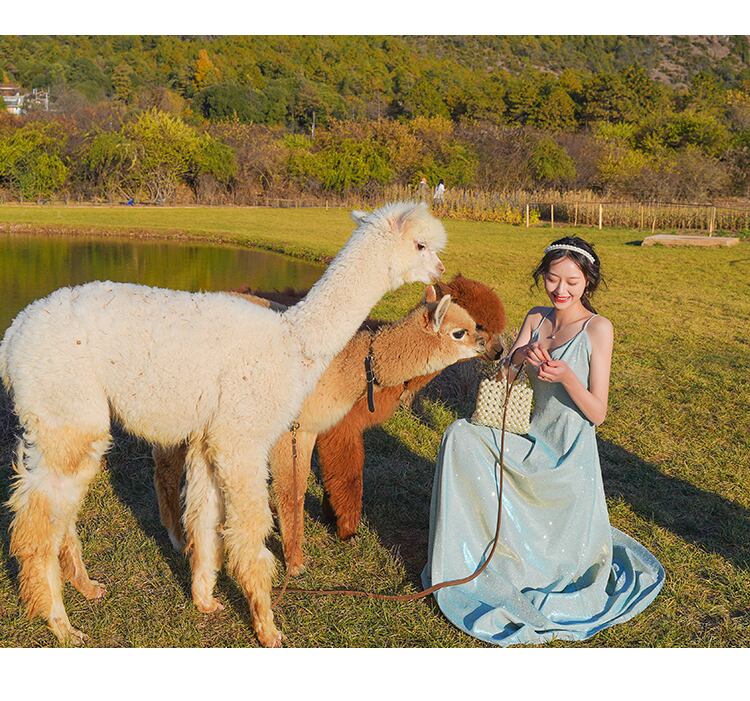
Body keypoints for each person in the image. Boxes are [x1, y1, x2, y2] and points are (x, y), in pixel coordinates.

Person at [422, 236, 664, 646]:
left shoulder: (598, 329)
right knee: (459, 435)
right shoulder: (536, 318)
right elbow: (506, 376)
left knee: (469, 437)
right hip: (529, 437)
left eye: (572, 281)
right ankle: (464, 549)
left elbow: (598, 413)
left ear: (588, 281)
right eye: (553, 279)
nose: (560, 289)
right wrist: (519, 357)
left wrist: (566, 376)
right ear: (543, 277)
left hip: (569, 455)